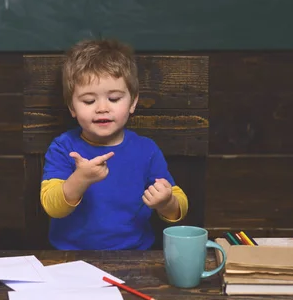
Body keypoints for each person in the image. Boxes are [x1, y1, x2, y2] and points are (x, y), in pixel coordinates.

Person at [40, 38, 188, 250]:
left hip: (135, 254)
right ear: (72, 107)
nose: (102, 108)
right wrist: (80, 179)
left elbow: (178, 204)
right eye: (89, 101)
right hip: (71, 257)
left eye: (114, 98)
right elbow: (52, 206)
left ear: (133, 102)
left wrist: (166, 202)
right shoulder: (63, 147)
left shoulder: (146, 150)